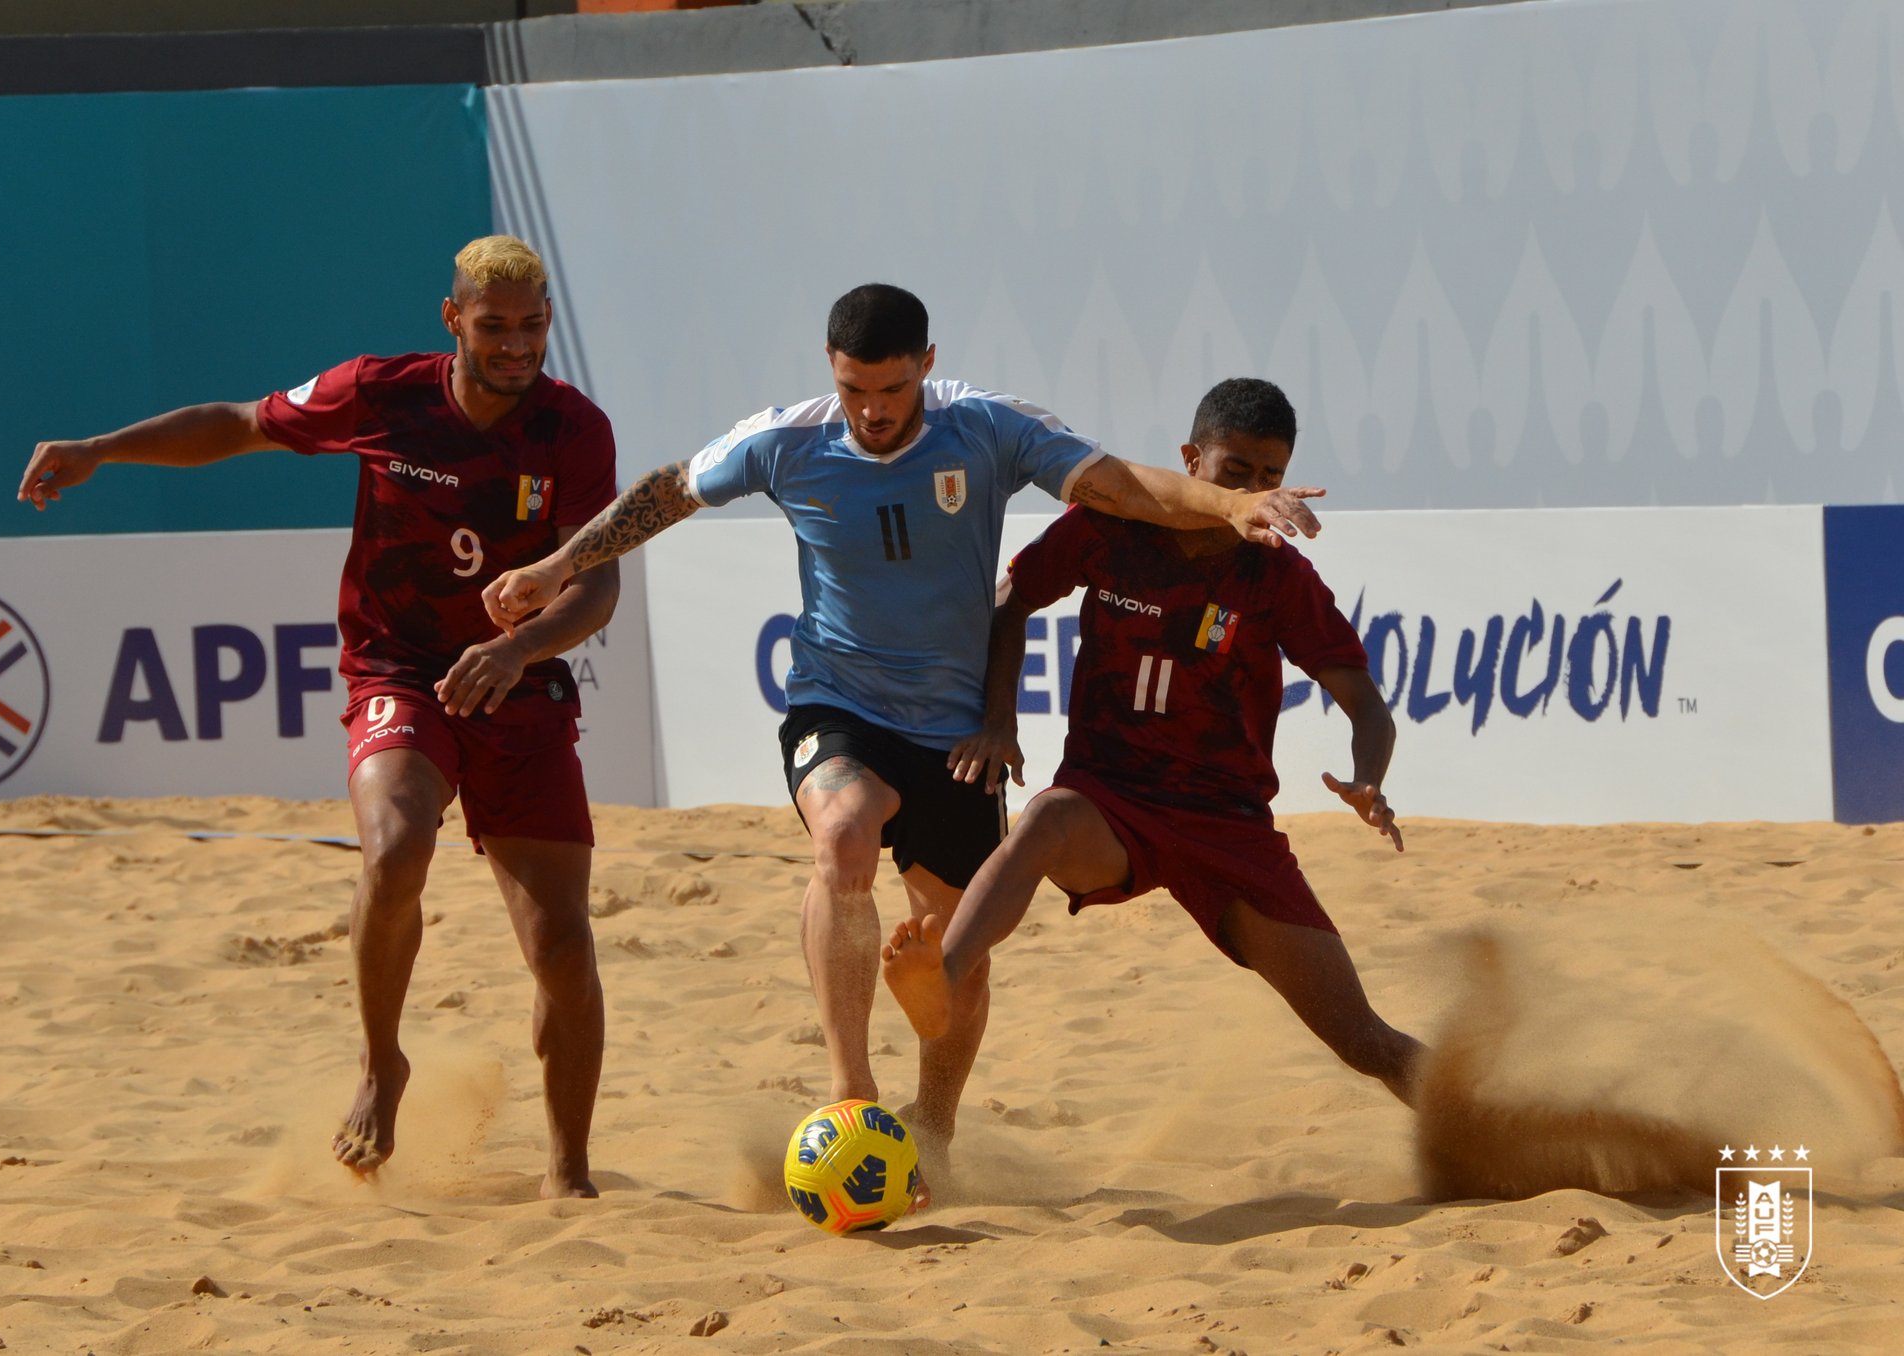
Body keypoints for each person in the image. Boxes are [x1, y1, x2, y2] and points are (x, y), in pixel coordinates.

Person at [482, 286, 1328, 1167]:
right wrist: (556, 564)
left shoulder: (987, 427)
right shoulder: (786, 440)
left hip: (954, 734)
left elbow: (1121, 487)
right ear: (831, 368)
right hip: (838, 702)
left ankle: (935, 1129)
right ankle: (852, 1095)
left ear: (926, 365)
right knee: (843, 836)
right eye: (855, 390)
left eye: (891, 390)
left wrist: (1228, 504)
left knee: (948, 948)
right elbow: (667, 493)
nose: (873, 412)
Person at [16, 236, 617, 1193]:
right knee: (391, 849)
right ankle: (383, 1063)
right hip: (401, 667)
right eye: (495, 325)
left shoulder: (574, 430)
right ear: (452, 318)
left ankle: (570, 1174)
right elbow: (237, 423)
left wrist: (515, 649)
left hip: (518, 682)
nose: (516, 344)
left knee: (561, 945)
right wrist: (101, 449)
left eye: (533, 325)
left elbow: (596, 592)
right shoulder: (381, 392)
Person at [882, 377, 1424, 1111]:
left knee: (1365, 1042)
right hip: (1111, 801)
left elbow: (1366, 706)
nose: (1256, 492)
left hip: (1226, 828)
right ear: (1190, 460)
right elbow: (1013, 604)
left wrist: (1369, 780)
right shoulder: (1110, 528)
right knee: (1044, 820)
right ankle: (940, 980)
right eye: (1237, 472)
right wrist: (999, 721)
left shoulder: (1278, 576)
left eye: (1271, 477)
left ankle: (1494, 1129)